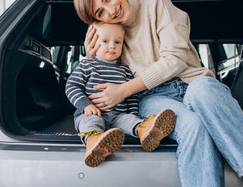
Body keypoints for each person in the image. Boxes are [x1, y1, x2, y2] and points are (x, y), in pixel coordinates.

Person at [72, 0, 243, 186]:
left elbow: (175, 58)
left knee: (203, 89)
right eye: (100, 13)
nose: (111, 11)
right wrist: (93, 58)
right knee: (193, 125)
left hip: (192, 81)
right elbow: (98, 78)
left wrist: (124, 90)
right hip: (152, 98)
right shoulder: (113, 38)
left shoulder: (155, 3)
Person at [65, 22, 176, 167]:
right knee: (91, 123)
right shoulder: (86, 65)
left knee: (129, 120)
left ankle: (146, 131)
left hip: (118, 115)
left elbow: (131, 95)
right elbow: (72, 86)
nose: (112, 46)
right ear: (93, 43)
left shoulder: (125, 70)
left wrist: (133, 114)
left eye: (118, 42)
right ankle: (94, 143)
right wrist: (86, 105)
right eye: (105, 41)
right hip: (93, 113)